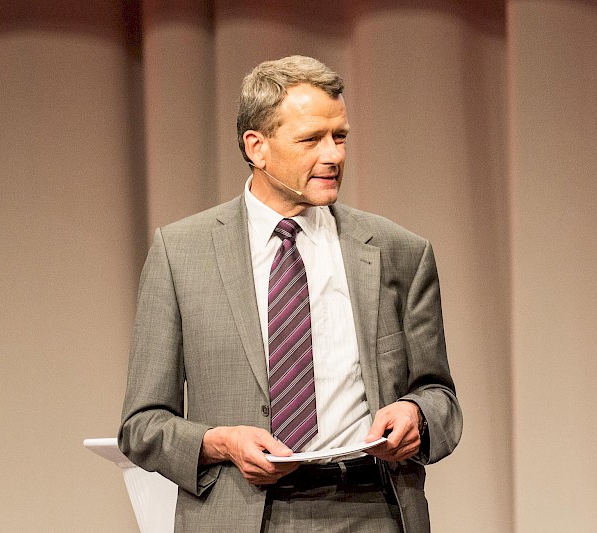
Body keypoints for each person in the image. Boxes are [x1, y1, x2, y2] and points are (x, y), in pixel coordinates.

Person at [119, 55, 462, 532]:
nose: (333, 156)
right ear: (256, 147)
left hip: (371, 509)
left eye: (340, 137)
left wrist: (416, 414)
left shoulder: (399, 252)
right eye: (311, 139)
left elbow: (440, 398)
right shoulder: (181, 254)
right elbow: (141, 426)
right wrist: (222, 443)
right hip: (243, 514)